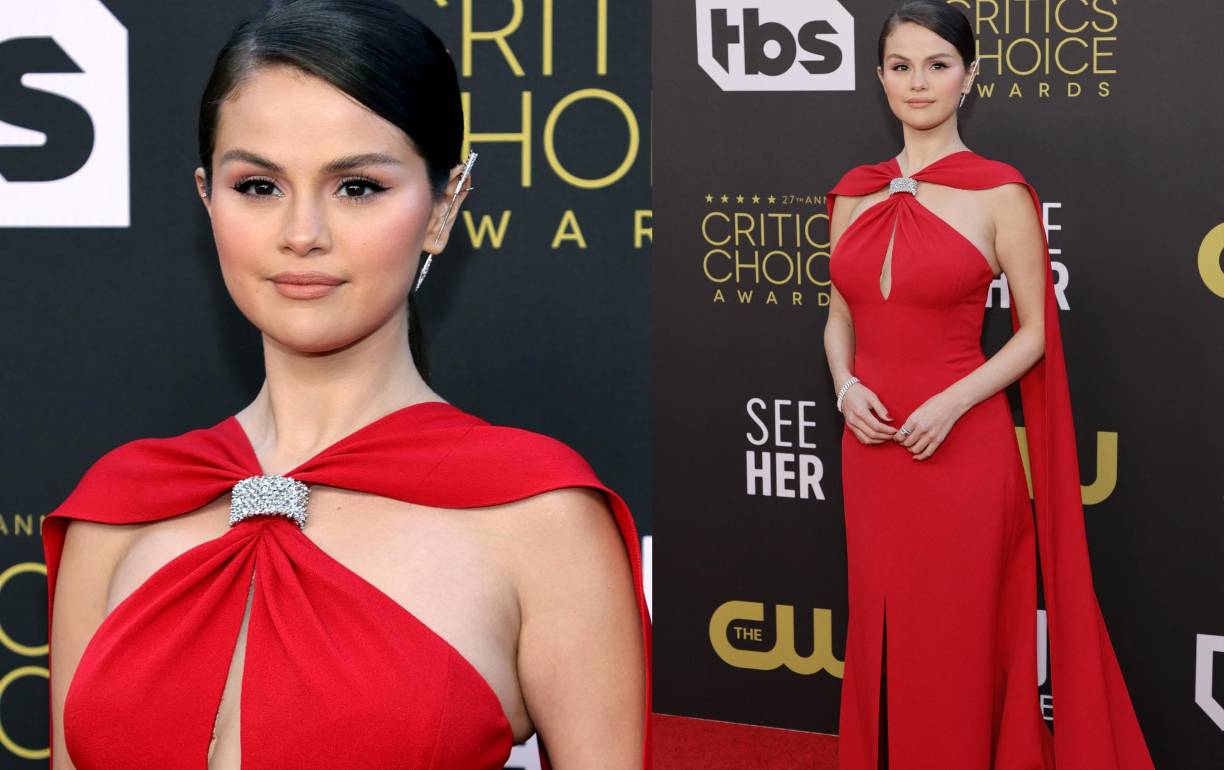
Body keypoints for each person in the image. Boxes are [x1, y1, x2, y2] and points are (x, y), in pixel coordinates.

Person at [41, 1, 650, 768]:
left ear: (444, 208)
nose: (302, 234)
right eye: (257, 186)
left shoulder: (542, 522)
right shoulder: (120, 509)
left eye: (357, 186)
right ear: (207, 198)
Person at [822, 2, 1152, 768]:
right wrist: (844, 388)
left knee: (959, 636)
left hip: (962, 447)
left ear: (969, 78)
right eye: (901, 66)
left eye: (938, 65)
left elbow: (1035, 334)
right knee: (880, 628)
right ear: (879, 78)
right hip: (872, 450)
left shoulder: (1001, 192)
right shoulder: (852, 193)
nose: (918, 83)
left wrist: (953, 399)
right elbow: (838, 318)